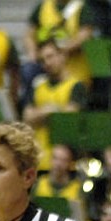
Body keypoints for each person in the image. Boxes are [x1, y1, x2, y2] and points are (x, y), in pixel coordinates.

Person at [22, 38, 88, 172]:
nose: (47, 63)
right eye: (42, 59)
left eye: (50, 57)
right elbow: (27, 117)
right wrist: (51, 111)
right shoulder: (38, 85)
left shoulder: (76, 86)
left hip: (64, 161)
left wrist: (41, 113)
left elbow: (69, 119)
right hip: (37, 160)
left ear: (62, 55)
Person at [21, 0, 97, 108]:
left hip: (75, 71)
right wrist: (34, 54)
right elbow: (29, 34)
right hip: (46, 70)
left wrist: (61, 51)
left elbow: (85, 35)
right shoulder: (43, 7)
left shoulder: (82, 8)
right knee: (29, 70)